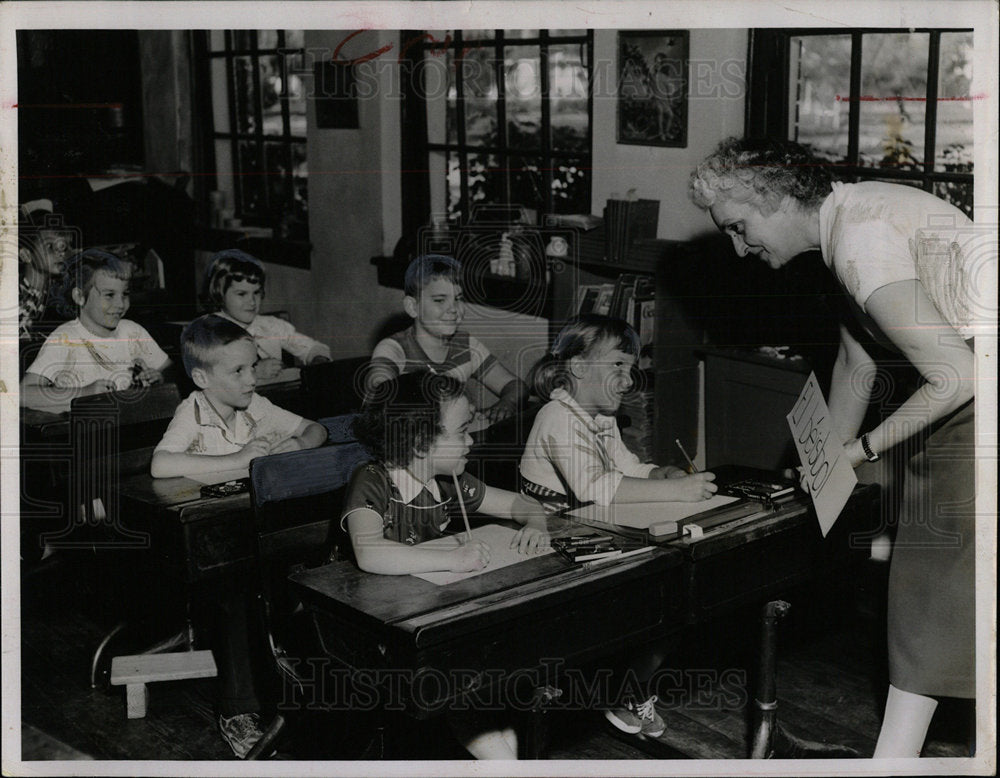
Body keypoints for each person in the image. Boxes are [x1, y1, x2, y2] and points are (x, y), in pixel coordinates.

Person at [690, 136, 984, 758]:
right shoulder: (848, 223)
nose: (741, 249)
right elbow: (858, 361)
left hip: (976, 410)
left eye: (740, 228)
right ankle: (892, 758)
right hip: (968, 410)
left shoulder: (860, 238)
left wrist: (863, 452)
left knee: (928, 607)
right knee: (929, 610)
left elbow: (958, 375)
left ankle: (891, 759)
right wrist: (823, 466)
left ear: (772, 197)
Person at [519, 313, 717, 738]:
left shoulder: (599, 417)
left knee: (673, 598)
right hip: (547, 553)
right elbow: (594, 486)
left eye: (632, 368)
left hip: (590, 537)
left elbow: (625, 467)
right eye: (617, 366)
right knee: (655, 598)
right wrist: (679, 494)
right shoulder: (557, 417)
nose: (629, 380)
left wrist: (658, 475)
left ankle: (629, 687)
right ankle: (619, 689)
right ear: (578, 367)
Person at [344, 370, 552, 758]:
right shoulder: (372, 479)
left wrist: (536, 525)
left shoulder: (445, 482)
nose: (471, 440)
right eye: (461, 431)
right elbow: (368, 551)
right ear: (421, 443)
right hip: (367, 633)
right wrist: (450, 557)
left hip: (426, 619)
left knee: (488, 702)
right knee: (470, 693)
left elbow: (521, 504)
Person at [150, 314, 326, 758]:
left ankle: (313, 685)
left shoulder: (256, 405)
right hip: (214, 550)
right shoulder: (192, 410)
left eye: (253, 366)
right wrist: (241, 460)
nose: (252, 379)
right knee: (236, 597)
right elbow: (161, 465)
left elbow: (314, 429)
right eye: (239, 371)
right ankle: (237, 711)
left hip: (262, 536)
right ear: (201, 377)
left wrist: (293, 447)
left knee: (309, 575)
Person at [366, 254, 528, 428]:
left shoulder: (466, 345)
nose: (453, 309)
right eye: (440, 300)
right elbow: (379, 399)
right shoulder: (394, 349)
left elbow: (515, 385)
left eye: (458, 298)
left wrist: (507, 403)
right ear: (413, 307)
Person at [20, 248, 172, 410]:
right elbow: (22, 395)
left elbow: (169, 369)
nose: (121, 304)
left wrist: (160, 377)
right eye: (109, 295)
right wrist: (83, 393)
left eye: (125, 294)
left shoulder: (132, 332)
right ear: (79, 297)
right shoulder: (65, 339)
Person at [205, 249, 331, 382]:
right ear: (219, 293)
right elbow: (213, 378)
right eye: (242, 294)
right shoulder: (210, 332)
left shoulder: (271, 326)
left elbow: (311, 347)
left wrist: (318, 359)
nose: (252, 301)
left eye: (257, 293)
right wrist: (254, 371)